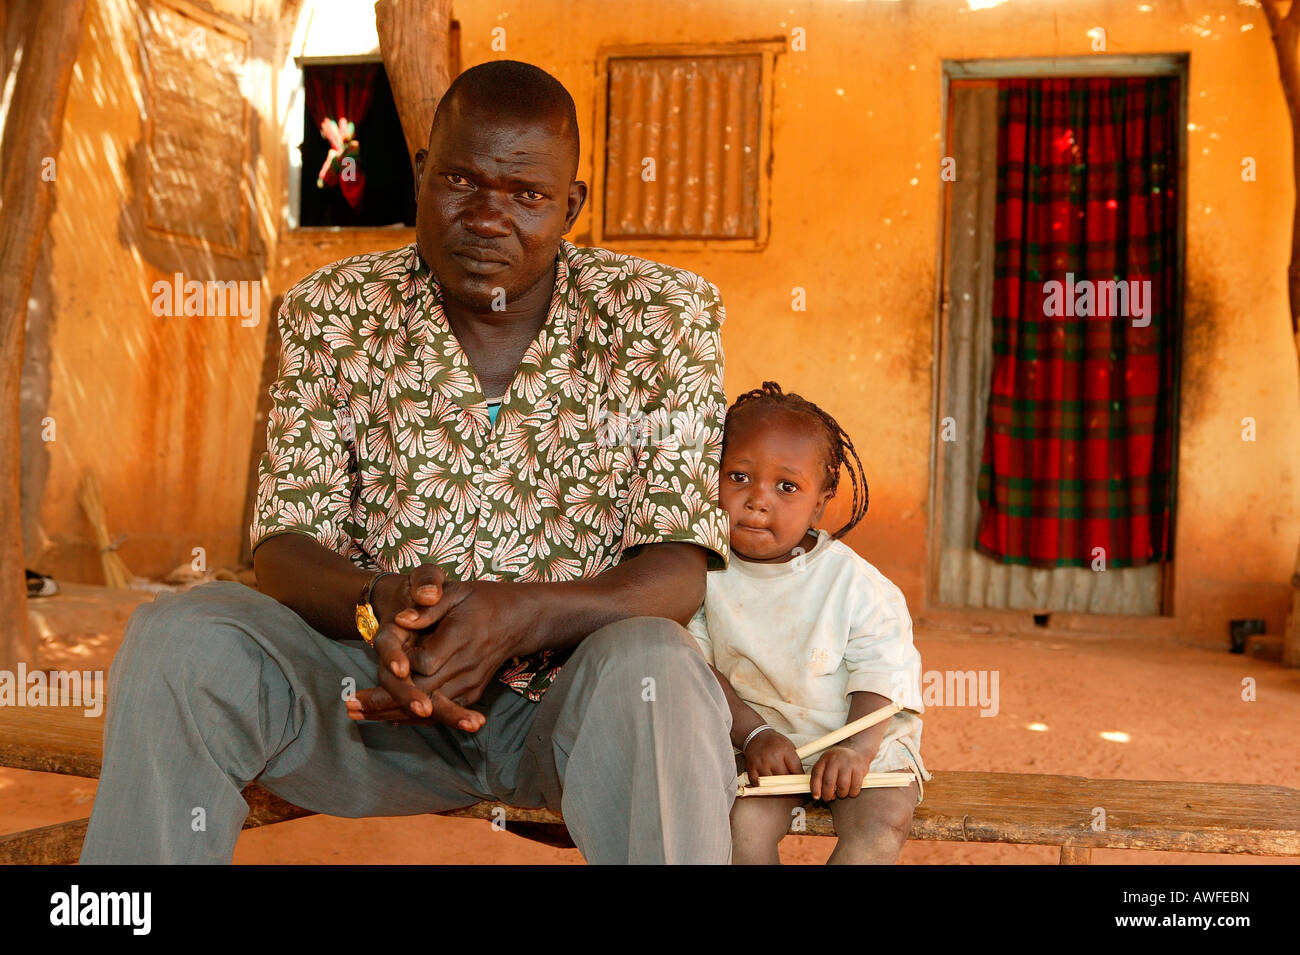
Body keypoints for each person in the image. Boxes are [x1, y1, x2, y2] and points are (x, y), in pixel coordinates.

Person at [80, 60, 736, 865]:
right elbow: (284, 547)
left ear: (570, 205)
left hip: (572, 714)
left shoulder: (661, 315)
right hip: (371, 700)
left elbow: (674, 573)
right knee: (180, 635)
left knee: (658, 669)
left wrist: (513, 617)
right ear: (422, 175)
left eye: (526, 194)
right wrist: (377, 605)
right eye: (462, 179)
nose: (488, 217)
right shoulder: (335, 309)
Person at [686, 381, 931, 864]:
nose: (758, 500)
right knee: (738, 827)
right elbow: (695, 668)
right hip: (759, 743)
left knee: (881, 825)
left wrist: (857, 749)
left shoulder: (856, 583)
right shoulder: (701, 573)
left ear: (820, 503)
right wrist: (754, 734)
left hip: (862, 740)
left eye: (786, 486)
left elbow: (883, 670)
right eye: (738, 477)